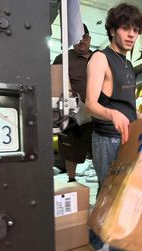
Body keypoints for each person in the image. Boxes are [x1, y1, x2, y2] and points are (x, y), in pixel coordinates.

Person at [86, 4, 142, 251]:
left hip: (127, 137)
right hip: (107, 138)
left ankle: (95, 239)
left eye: (136, 30)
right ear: (113, 29)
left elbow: (127, 107)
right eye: (126, 28)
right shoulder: (101, 58)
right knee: (119, 198)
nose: (132, 34)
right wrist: (112, 114)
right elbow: (92, 104)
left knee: (109, 195)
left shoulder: (128, 64)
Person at [53, 24, 93, 182]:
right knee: (71, 150)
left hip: (98, 113)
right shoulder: (62, 57)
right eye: (77, 38)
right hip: (73, 114)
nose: (81, 41)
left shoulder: (99, 57)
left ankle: (104, 184)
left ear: (89, 38)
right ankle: (71, 180)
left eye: (84, 37)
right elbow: (55, 85)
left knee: (99, 150)